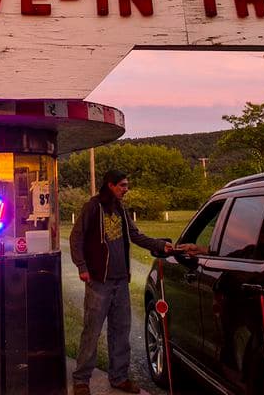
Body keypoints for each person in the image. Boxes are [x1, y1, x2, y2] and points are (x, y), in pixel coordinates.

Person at [69, 169, 173, 395]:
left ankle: (119, 377)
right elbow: (76, 238)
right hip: (99, 282)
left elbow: (135, 236)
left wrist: (159, 245)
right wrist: (82, 267)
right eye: (123, 185)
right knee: (92, 331)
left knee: (121, 331)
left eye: (126, 185)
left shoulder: (121, 210)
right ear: (110, 185)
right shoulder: (92, 207)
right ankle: (81, 380)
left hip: (120, 282)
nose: (126, 189)